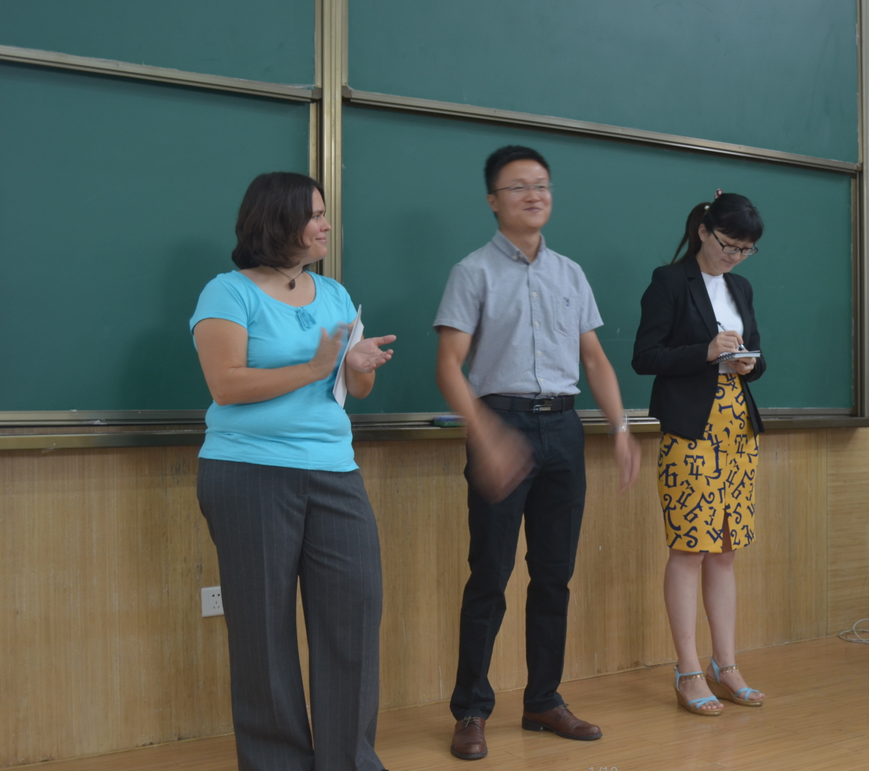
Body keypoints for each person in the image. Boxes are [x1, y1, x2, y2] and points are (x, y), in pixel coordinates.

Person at [435, 145, 641, 761]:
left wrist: (621, 428)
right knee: (490, 577)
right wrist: (486, 435)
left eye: (542, 184)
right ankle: (471, 710)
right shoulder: (472, 272)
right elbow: (449, 365)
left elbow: (594, 359)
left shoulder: (570, 273)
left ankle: (543, 701)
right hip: (500, 421)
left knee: (554, 576)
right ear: (492, 200)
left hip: (564, 430)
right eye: (519, 186)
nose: (534, 195)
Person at [190, 172, 396, 771]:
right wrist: (314, 367)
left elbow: (354, 389)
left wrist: (359, 365)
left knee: (354, 617)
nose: (326, 224)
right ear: (278, 221)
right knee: (262, 631)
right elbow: (226, 385)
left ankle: (348, 761)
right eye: (315, 214)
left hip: (335, 471)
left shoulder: (334, 294)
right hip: (247, 473)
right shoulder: (228, 293)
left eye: (325, 213)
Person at [631, 192, 767, 717]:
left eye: (746, 250)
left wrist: (750, 364)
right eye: (729, 245)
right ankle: (687, 670)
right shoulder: (669, 281)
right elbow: (645, 357)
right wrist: (705, 352)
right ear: (704, 231)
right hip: (690, 429)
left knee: (726, 550)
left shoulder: (742, 287)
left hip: (737, 428)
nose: (735, 257)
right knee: (690, 548)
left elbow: (759, 356)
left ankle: (725, 665)